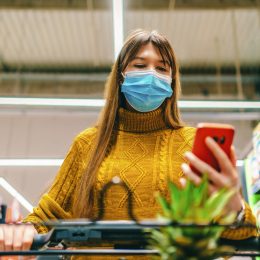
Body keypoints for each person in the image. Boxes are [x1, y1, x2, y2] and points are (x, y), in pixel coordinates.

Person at [0, 29, 257, 253]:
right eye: (140, 65)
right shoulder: (88, 144)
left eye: (162, 68)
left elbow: (240, 234)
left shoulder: (191, 145)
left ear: (172, 80)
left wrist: (232, 207)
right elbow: (46, 217)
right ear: (121, 75)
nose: (151, 74)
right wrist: (21, 231)